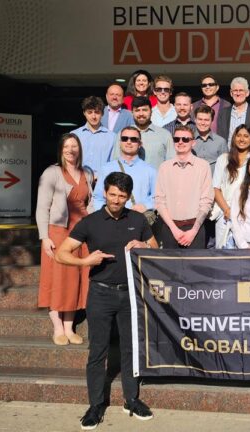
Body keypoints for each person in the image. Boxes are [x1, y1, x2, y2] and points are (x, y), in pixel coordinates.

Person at [54, 172, 157, 430]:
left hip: (131, 294)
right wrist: (84, 261)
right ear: (105, 193)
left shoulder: (137, 219)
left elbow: (156, 247)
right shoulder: (90, 222)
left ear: (128, 196)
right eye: (112, 194)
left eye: (122, 196)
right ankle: (96, 405)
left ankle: (131, 399)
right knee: (97, 350)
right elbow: (62, 254)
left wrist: (144, 246)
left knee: (130, 348)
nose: (116, 200)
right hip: (100, 293)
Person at [36, 133, 94, 346]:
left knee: (76, 278)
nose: (71, 150)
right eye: (67, 146)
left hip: (82, 233)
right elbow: (42, 207)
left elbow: (90, 202)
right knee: (58, 277)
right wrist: (44, 237)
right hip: (58, 231)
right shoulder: (51, 172)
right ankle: (57, 327)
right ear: (61, 149)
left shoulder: (86, 172)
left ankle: (69, 327)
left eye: (74, 146)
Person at [154, 125, 214, 249]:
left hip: (194, 228)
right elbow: (159, 201)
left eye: (185, 139)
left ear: (193, 143)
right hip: (170, 228)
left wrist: (194, 230)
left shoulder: (203, 166)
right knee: (169, 268)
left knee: (195, 268)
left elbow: (206, 201)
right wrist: (173, 229)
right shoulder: (164, 167)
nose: (180, 142)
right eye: (177, 139)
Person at [93, 127, 157, 215]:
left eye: (133, 139)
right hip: (111, 220)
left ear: (140, 144)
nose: (129, 142)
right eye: (124, 138)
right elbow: (98, 197)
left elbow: (157, 197)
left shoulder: (150, 170)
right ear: (120, 143)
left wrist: (145, 206)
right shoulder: (106, 168)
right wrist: (105, 214)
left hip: (138, 219)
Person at [212, 125, 250, 249]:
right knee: (223, 254)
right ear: (234, 138)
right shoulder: (223, 159)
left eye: (246, 136)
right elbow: (216, 188)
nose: (242, 139)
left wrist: (241, 210)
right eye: (239, 135)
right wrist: (227, 210)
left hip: (247, 214)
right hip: (225, 213)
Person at [111, 96, 174, 172]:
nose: (141, 114)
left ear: (151, 111)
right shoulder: (123, 134)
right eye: (137, 110)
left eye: (144, 110)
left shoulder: (164, 135)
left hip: (156, 182)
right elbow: (115, 161)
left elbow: (171, 164)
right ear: (132, 113)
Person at [71, 96, 116, 173]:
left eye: (97, 112)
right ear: (84, 113)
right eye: (90, 112)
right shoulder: (74, 135)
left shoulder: (112, 137)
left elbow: (113, 164)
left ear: (102, 114)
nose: (93, 116)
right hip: (78, 180)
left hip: (102, 181)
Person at [217, 77, 250, 142]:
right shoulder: (223, 113)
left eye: (241, 90)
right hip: (228, 151)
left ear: (247, 93)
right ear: (231, 93)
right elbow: (220, 137)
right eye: (235, 90)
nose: (238, 93)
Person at [192, 105, 229, 174]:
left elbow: (225, 167)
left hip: (213, 183)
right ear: (195, 120)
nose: (203, 123)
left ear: (212, 121)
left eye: (206, 120)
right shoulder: (188, 140)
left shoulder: (220, 142)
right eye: (200, 119)